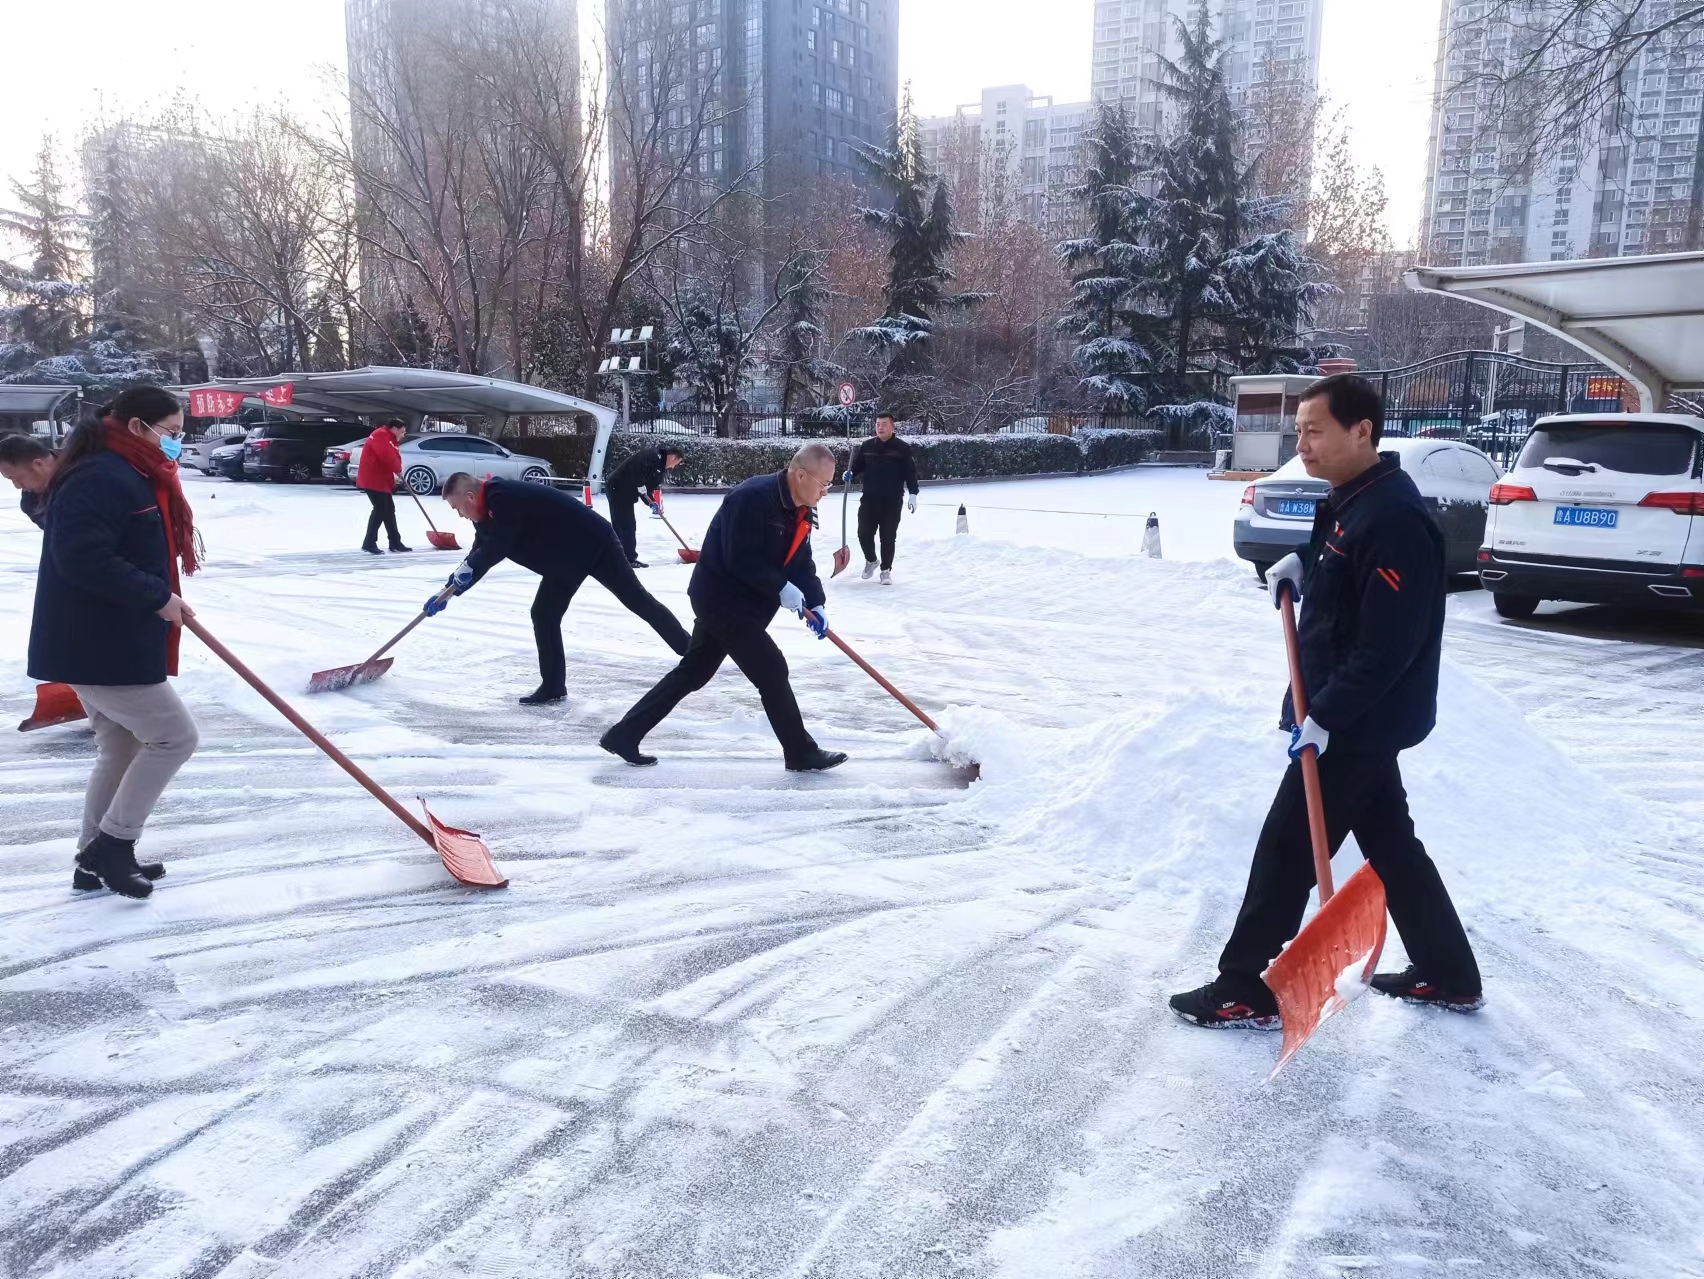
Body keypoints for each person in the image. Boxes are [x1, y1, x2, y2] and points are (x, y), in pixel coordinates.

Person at [1170, 373, 1482, 1029]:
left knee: (1286, 846)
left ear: (1361, 430)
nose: (1303, 443)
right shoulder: (1352, 499)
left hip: (1357, 720)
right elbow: (1346, 599)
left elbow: (1386, 647)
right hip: (1346, 713)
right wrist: (1298, 577)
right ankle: (1449, 971)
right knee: (1392, 843)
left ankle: (1242, 984)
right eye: (1300, 430)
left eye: (1316, 429)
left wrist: (1325, 717)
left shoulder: (1393, 518)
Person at [28, 386, 201, 898]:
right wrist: (156, 595)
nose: (175, 444)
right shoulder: (101, 476)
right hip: (98, 643)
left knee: (122, 744)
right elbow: (81, 558)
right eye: (169, 433)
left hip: (105, 637)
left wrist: (157, 597)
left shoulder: (129, 471)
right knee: (175, 737)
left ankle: (91, 859)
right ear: (135, 427)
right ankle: (113, 844)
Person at [599, 443, 846, 773]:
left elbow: (801, 561)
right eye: (824, 484)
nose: (826, 492)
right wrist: (781, 588)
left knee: (694, 671)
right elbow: (739, 558)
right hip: (720, 598)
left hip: (746, 603)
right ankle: (800, 752)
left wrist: (816, 602)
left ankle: (624, 734)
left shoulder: (801, 507)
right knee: (771, 669)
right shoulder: (751, 498)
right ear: (801, 475)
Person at [433, 471, 691, 705]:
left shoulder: (504, 498)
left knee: (637, 600)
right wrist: (449, 589)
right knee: (544, 614)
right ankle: (553, 686)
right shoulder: (486, 511)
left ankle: (692, 652)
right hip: (565, 558)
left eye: (458, 508)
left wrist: (465, 574)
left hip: (595, 542)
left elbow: (497, 547)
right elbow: (479, 552)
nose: (459, 515)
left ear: (469, 496)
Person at [849, 411, 919, 584]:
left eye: (884, 424)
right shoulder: (867, 447)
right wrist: (849, 473)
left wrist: (913, 494)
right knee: (863, 533)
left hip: (892, 501)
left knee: (887, 536)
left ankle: (885, 570)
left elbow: (910, 472)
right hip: (869, 499)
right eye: (878, 424)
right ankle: (871, 561)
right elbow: (857, 467)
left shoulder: (902, 448)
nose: (880, 427)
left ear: (892, 427)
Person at [605, 443, 684, 567]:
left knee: (624, 525)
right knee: (625, 525)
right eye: (676, 463)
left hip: (626, 491)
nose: (673, 467)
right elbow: (635, 470)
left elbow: (648, 489)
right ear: (672, 457)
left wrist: (651, 503)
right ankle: (627, 559)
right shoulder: (651, 456)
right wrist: (640, 484)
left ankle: (620, 558)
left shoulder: (660, 468)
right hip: (618, 488)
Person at [356, 417, 411, 555]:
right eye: (402, 432)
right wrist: (397, 469)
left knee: (388, 510)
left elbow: (392, 454)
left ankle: (395, 542)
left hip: (380, 480)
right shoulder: (381, 435)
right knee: (380, 510)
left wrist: (397, 469)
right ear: (394, 428)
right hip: (373, 479)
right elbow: (387, 456)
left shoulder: (388, 438)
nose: (403, 435)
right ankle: (369, 543)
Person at [0, 433, 56, 527]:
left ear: (38, 464)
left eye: (18, 479)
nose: (18, 486)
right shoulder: (32, 503)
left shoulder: (84, 463)